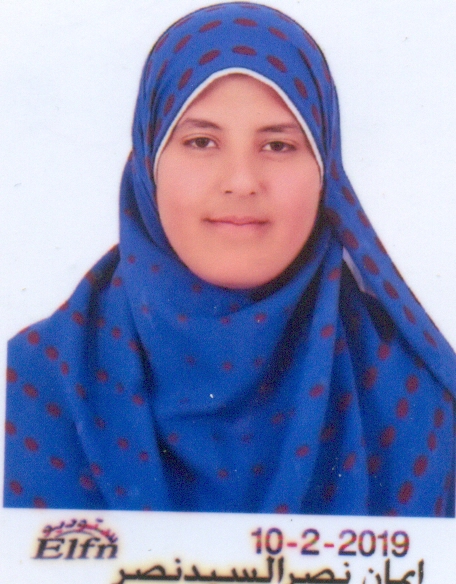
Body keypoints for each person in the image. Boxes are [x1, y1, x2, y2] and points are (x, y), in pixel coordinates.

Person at [4, 2, 455, 516]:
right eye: (201, 141)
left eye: (278, 146)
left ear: (325, 169)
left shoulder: (417, 401)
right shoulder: (30, 385)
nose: (241, 181)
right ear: (149, 161)